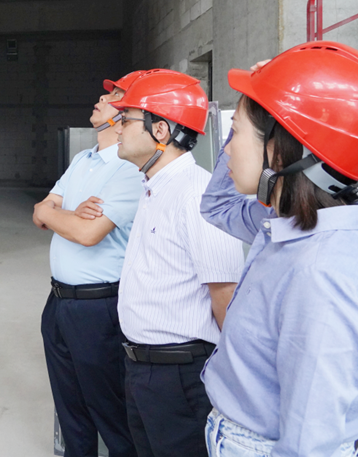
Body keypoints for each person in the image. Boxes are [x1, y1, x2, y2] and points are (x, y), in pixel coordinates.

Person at [199, 41, 358, 457]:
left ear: (278, 149)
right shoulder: (285, 223)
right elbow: (217, 206)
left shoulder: (319, 272)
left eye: (235, 132)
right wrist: (263, 101)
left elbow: (310, 442)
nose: (227, 148)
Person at [111, 69, 244, 457]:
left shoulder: (196, 193)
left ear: (161, 130)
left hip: (179, 376)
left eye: (127, 119)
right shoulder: (154, 187)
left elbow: (225, 294)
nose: (118, 128)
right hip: (143, 368)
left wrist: (236, 381)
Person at [32, 71, 147, 457]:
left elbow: (87, 234)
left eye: (113, 96)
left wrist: (57, 214)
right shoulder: (83, 159)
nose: (100, 98)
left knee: (109, 411)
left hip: (98, 309)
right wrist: (66, 213)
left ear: (127, 114)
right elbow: (38, 212)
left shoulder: (129, 169)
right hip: (58, 303)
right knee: (71, 411)